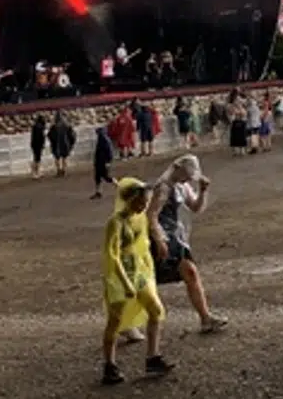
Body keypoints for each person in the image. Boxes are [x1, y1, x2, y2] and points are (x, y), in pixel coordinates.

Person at [135, 155, 228, 335]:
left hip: (175, 237)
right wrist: (159, 239)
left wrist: (202, 191)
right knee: (145, 281)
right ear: (177, 168)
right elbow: (151, 215)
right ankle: (128, 320)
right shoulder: (163, 187)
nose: (187, 179)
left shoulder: (181, 186)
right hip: (162, 237)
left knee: (190, 272)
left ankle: (205, 318)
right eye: (186, 174)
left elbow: (195, 207)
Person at [100, 178, 174, 385]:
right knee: (115, 321)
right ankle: (109, 364)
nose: (143, 207)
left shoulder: (138, 217)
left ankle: (153, 356)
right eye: (140, 202)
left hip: (138, 272)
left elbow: (142, 244)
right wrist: (125, 282)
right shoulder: (115, 223)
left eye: (146, 203)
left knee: (156, 309)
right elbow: (112, 255)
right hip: (120, 275)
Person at [91, 125, 117, 200]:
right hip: (99, 162)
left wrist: (108, 162)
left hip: (103, 162)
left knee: (106, 177)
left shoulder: (104, 140)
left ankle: (118, 186)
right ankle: (98, 192)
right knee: (98, 177)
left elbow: (109, 152)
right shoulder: (103, 139)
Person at [48, 110, 75, 177]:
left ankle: (58, 170)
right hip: (65, 143)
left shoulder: (53, 126)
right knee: (64, 157)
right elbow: (72, 135)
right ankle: (64, 170)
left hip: (56, 144)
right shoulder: (67, 125)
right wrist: (71, 143)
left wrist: (52, 142)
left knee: (57, 158)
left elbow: (49, 135)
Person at [29, 114, 48, 179]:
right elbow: (41, 137)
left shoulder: (35, 126)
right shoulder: (40, 127)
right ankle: (35, 173)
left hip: (34, 144)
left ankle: (36, 172)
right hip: (38, 145)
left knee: (36, 158)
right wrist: (42, 144)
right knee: (37, 159)